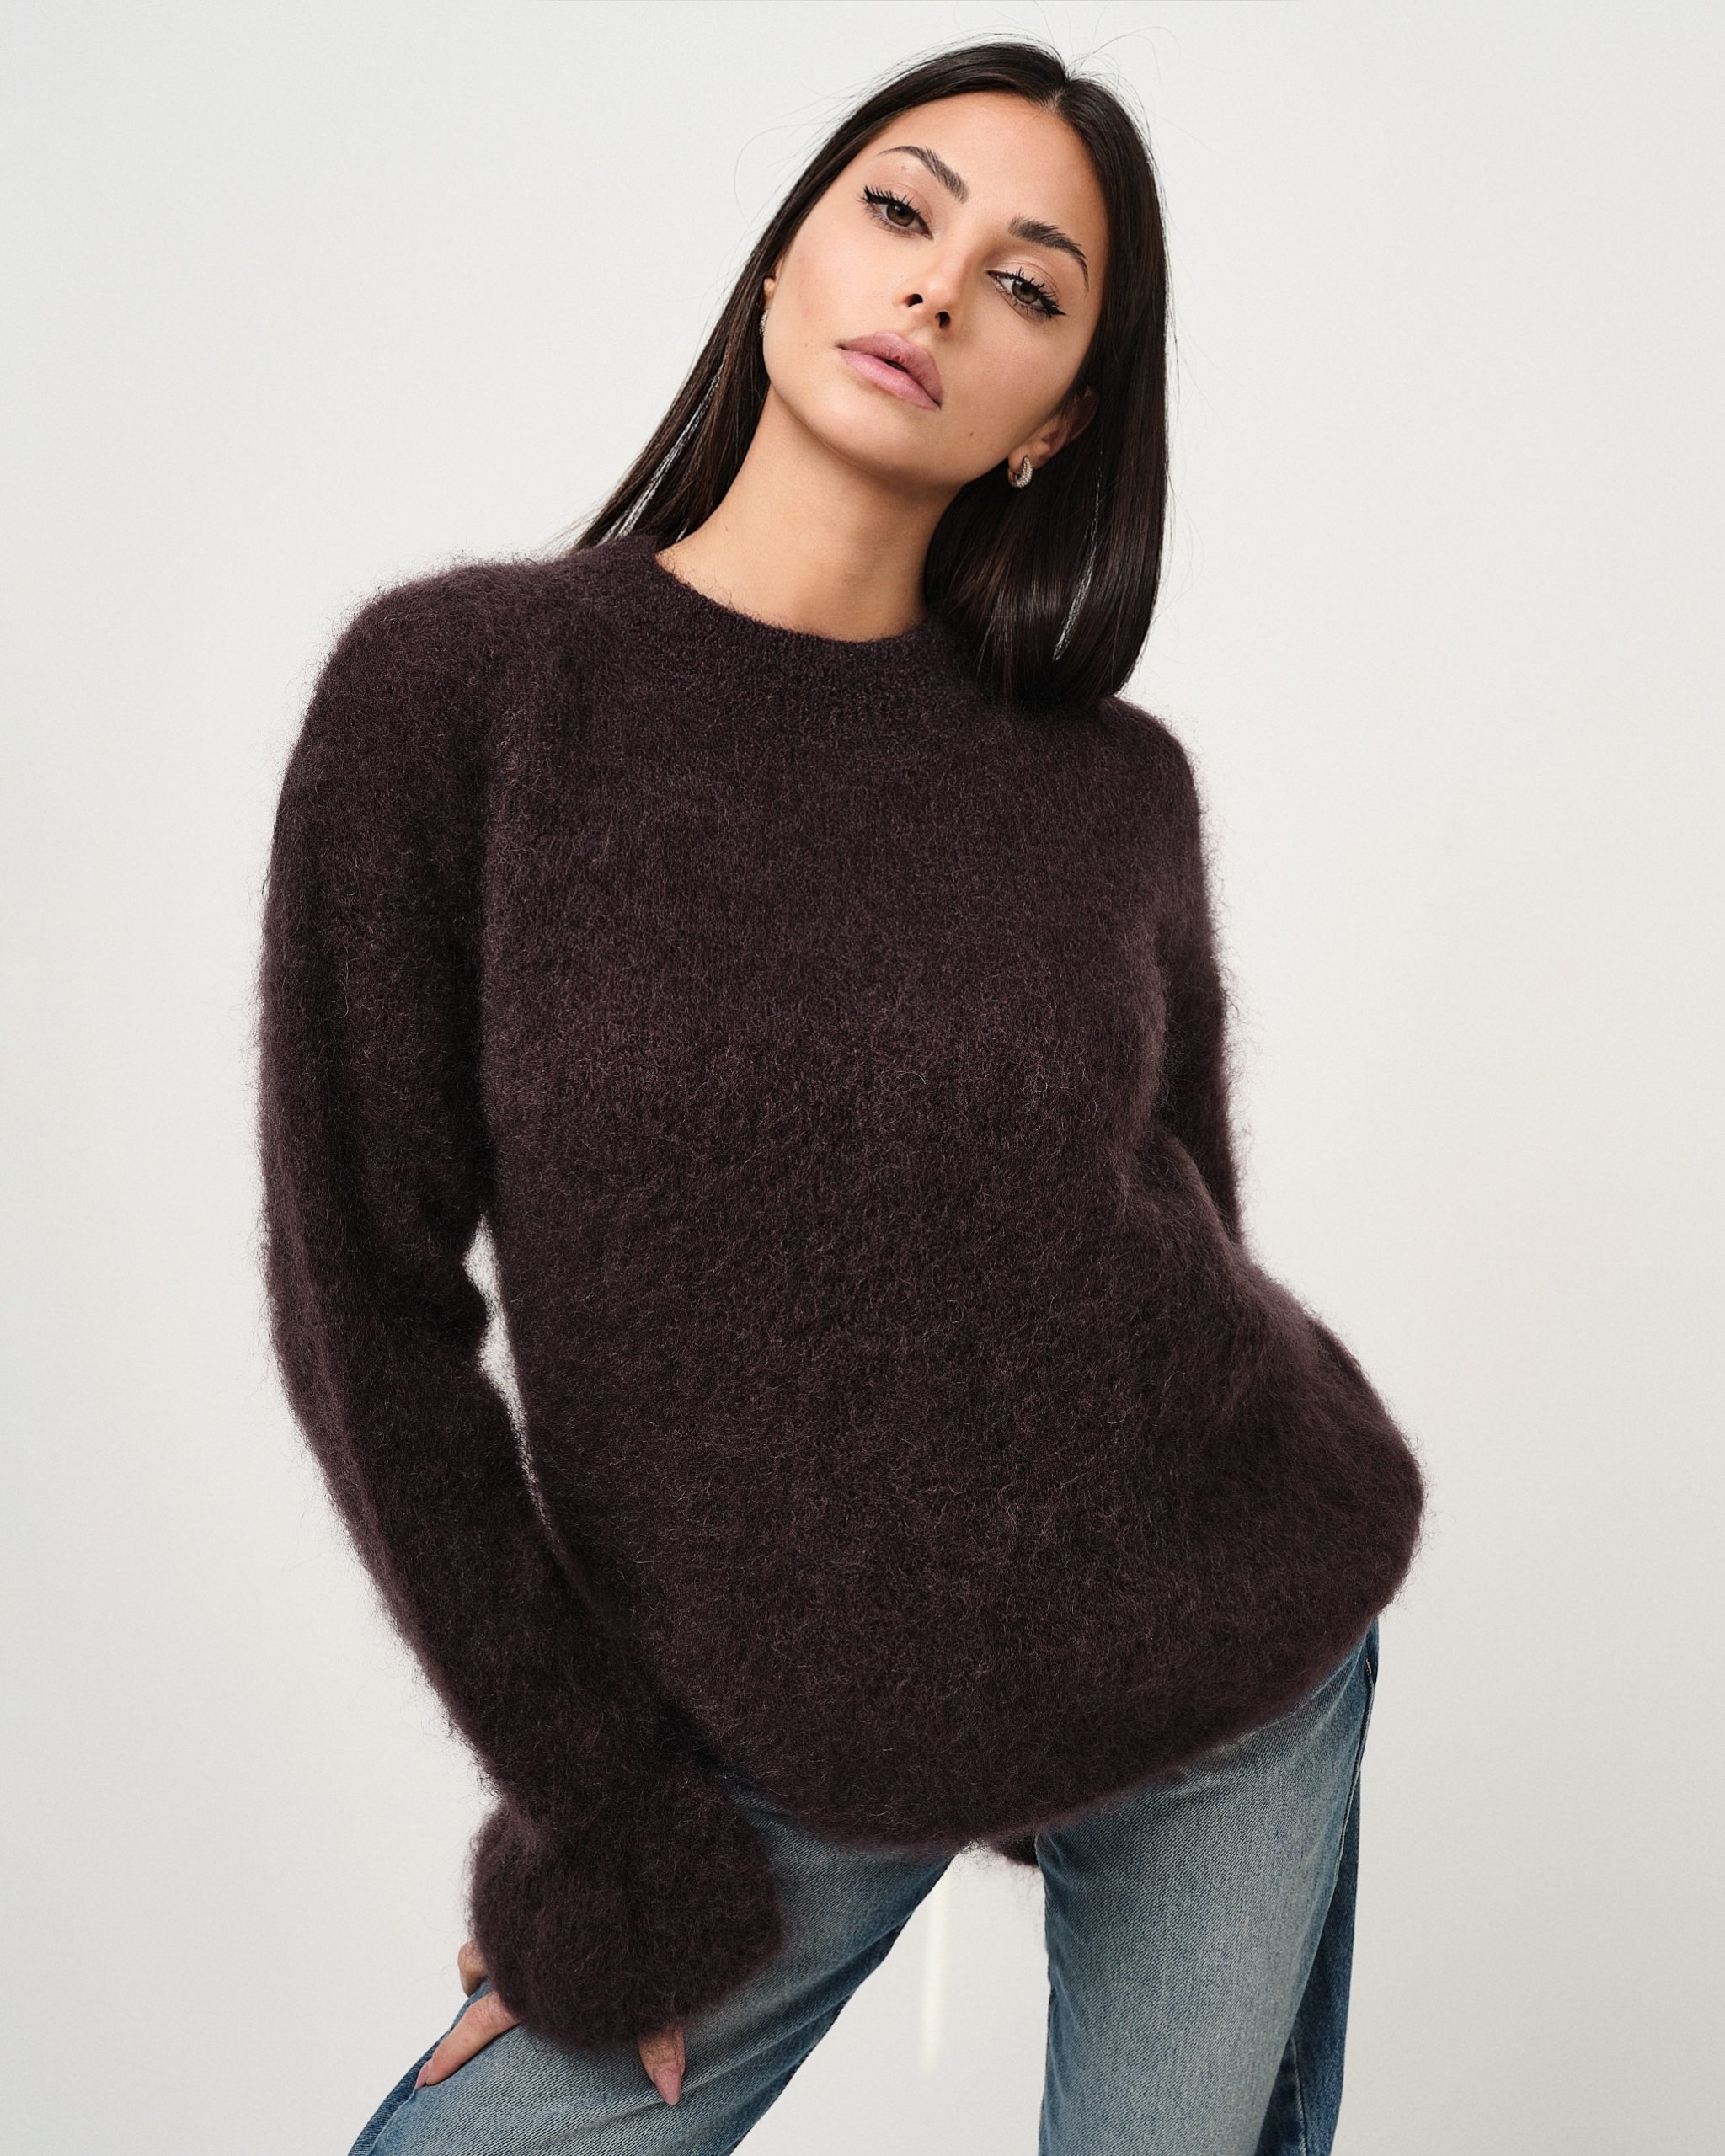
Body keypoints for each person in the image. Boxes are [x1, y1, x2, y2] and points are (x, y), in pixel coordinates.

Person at [256, 36, 1424, 2155]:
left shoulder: (1105, 787)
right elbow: (368, 1306)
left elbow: (1171, 1206)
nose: (938, 288)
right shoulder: (460, 700)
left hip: (1228, 1645)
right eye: (899, 211)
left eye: (1028, 283)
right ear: (788, 255)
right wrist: (598, 1809)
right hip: (764, 1735)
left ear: (1052, 419)